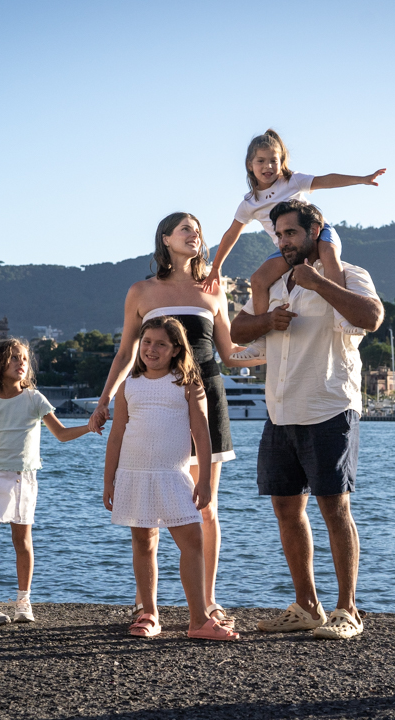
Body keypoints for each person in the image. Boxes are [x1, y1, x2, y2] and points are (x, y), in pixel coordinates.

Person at [88, 212, 263, 627]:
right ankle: (145, 607)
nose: (195, 235)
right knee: (145, 514)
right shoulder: (141, 290)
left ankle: (206, 603)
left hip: (205, 399)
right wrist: (104, 400)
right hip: (151, 406)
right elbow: (126, 351)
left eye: (198, 230)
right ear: (165, 239)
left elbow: (229, 352)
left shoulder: (214, 290)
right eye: (186, 228)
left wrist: (277, 351)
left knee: (204, 507)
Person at [230, 199, 384, 640]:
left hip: (329, 408)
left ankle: (348, 610)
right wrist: (266, 319)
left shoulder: (349, 274)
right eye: (278, 234)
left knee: (335, 508)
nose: (284, 241)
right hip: (280, 412)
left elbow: (371, 317)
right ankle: (307, 607)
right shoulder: (273, 282)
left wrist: (318, 283)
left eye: (291, 233)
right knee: (285, 508)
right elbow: (239, 332)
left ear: (316, 232)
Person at [103, 317, 240, 641]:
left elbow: (202, 435)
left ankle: (198, 620)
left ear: (176, 349)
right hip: (134, 474)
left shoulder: (188, 383)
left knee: (192, 541)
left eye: (161, 344)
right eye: (147, 342)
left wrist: (204, 480)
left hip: (173, 474)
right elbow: (116, 435)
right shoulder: (129, 385)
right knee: (143, 541)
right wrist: (109, 480)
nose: (151, 349)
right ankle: (149, 613)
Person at [203, 128, 385, 353]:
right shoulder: (250, 203)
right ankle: (262, 338)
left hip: (319, 233)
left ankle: (341, 319)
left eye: (274, 160)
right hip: (288, 248)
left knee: (328, 254)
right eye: (261, 161)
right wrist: (216, 268)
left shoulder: (291, 181)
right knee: (258, 280)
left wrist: (362, 179)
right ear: (250, 164)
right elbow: (231, 234)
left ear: (282, 162)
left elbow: (325, 180)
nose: (268, 166)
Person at [0, 338, 98, 625]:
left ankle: (23, 601)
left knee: (22, 541)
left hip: (25, 479)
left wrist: (89, 427)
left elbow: (61, 434)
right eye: (15, 358)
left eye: (24, 359)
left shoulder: (35, 399)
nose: (21, 363)